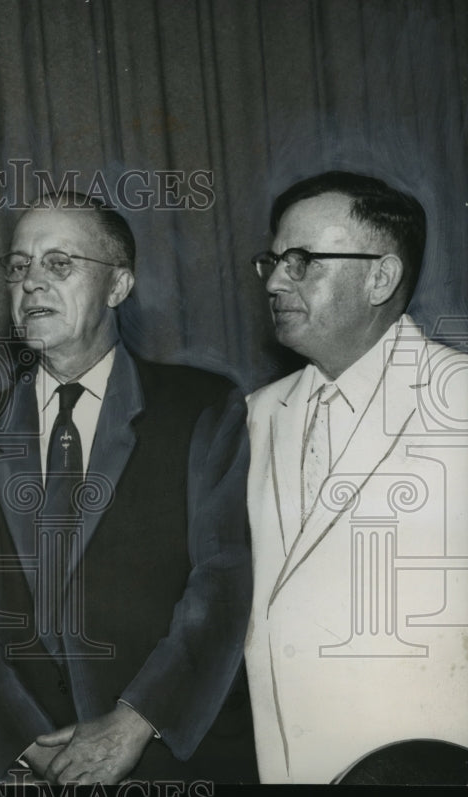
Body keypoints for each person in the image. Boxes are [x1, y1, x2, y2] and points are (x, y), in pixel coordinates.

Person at [0, 193, 257, 784]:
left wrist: (133, 722)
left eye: (59, 264)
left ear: (119, 285)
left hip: (170, 763)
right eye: (19, 266)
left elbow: (221, 583)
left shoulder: (202, 408)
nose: (31, 284)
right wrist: (27, 745)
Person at [244, 170, 468, 783]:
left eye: (302, 261)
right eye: (272, 260)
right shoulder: (258, 415)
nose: (273, 280)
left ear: (380, 276)